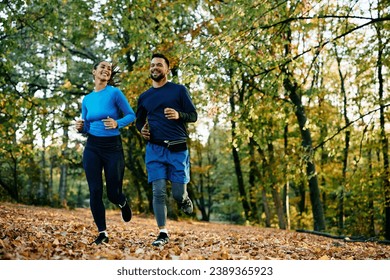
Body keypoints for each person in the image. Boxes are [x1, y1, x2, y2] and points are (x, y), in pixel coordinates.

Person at [136, 53, 197, 247]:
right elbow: (139, 121)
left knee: (177, 193)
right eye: (152, 65)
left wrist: (179, 114)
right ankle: (162, 232)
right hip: (155, 149)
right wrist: (141, 130)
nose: (155, 68)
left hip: (177, 148)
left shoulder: (178, 90)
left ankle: (184, 199)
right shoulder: (144, 97)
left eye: (159, 65)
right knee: (159, 191)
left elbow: (193, 115)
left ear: (167, 69)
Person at [75, 60, 136, 245]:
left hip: (112, 148)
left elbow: (131, 115)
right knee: (95, 191)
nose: (106, 70)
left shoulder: (115, 93)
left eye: (109, 69)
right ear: (94, 71)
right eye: (102, 67)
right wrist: (81, 127)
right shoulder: (87, 99)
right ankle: (102, 233)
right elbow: (86, 125)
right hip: (92, 147)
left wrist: (118, 123)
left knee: (112, 193)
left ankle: (122, 203)